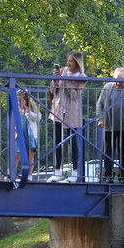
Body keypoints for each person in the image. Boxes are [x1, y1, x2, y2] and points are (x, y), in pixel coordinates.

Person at [47, 51, 86, 183]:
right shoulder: (62, 71)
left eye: (70, 61)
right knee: (57, 140)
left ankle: (74, 173)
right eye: (67, 60)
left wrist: (67, 81)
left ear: (77, 63)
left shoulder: (82, 76)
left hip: (72, 111)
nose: (68, 63)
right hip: (58, 109)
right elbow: (53, 90)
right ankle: (57, 171)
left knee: (72, 141)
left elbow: (75, 96)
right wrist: (55, 79)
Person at [96, 67, 124, 183]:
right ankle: (108, 176)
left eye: (122, 80)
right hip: (109, 125)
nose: (119, 82)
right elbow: (100, 104)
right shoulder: (107, 87)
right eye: (117, 79)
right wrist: (100, 119)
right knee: (108, 152)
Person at [17, 89, 40, 179]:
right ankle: (15, 173)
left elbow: (38, 118)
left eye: (21, 101)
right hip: (20, 135)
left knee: (30, 155)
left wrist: (28, 112)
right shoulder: (17, 110)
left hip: (31, 135)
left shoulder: (32, 110)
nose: (19, 103)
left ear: (26, 101)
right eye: (18, 101)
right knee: (19, 154)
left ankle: (29, 175)